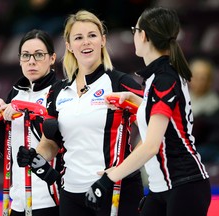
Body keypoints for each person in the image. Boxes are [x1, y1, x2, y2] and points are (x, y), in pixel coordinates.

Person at [85, 7, 211, 216]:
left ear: (143, 35)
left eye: (135, 30)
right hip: (160, 188)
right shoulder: (157, 77)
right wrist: (134, 100)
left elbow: (151, 145)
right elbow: (164, 117)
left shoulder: (164, 79)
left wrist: (110, 178)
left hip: (185, 184)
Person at [17, 10, 145, 216]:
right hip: (72, 194)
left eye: (92, 35)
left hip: (116, 189)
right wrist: (35, 157)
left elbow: (154, 130)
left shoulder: (120, 83)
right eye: (78, 37)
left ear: (102, 40)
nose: (86, 42)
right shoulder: (58, 91)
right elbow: (50, 142)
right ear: (68, 45)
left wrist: (123, 170)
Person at [0, 29, 62, 216]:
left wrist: (28, 110)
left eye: (38, 55)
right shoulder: (15, 94)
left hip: (50, 198)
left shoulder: (61, 91)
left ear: (52, 58)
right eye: (26, 55)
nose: (31, 61)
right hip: (18, 199)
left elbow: (59, 138)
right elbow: (6, 151)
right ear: (19, 59)